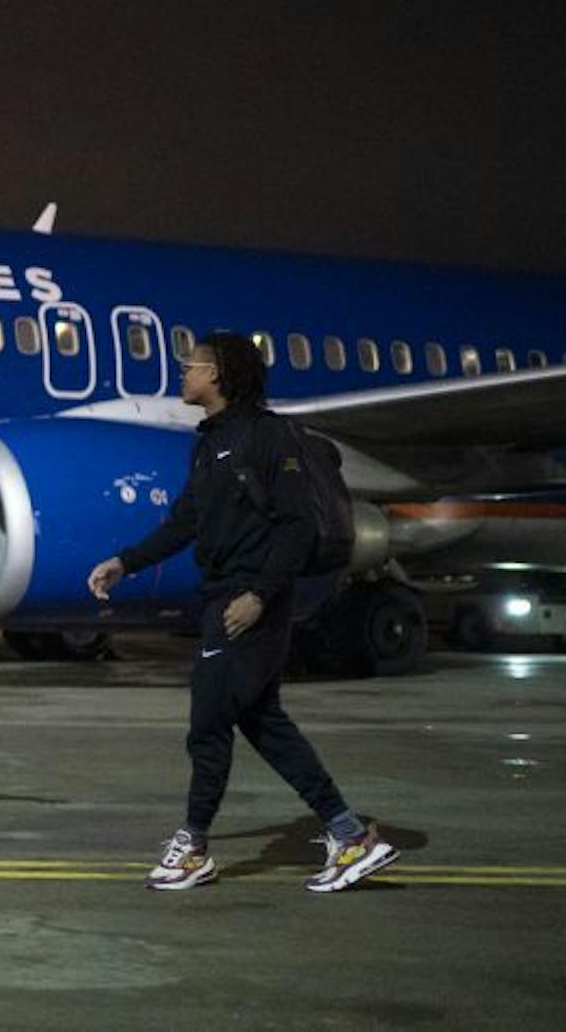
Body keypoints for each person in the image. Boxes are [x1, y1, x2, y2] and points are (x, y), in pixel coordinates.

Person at [88, 330, 399, 893]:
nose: (182, 373)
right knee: (262, 721)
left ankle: (194, 846)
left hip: (248, 601)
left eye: (191, 365)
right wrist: (123, 563)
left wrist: (259, 595)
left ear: (219, 374)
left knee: (208, 723)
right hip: (224, 594)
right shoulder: (211, 441)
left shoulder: (267, 436)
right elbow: (185, 520)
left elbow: (299, 525)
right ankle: (349, 833)